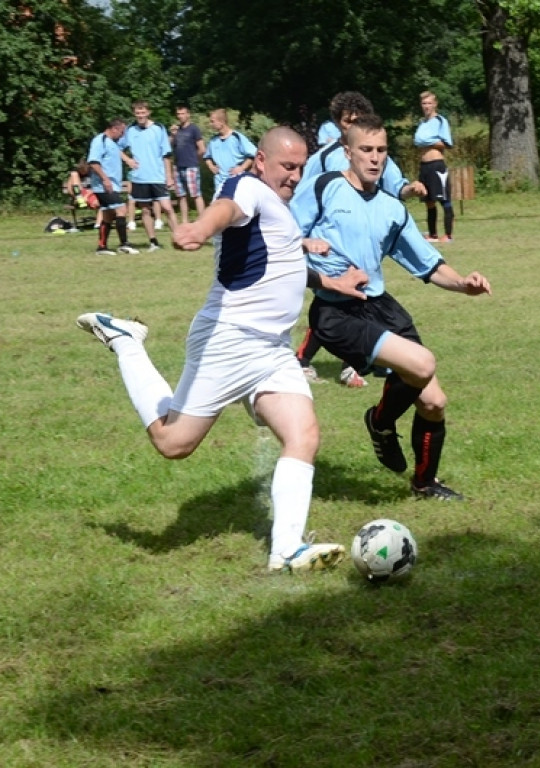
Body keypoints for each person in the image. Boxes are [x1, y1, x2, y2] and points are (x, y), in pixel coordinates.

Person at [75, 126, 368, 572]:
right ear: (262, 162)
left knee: (303, 435)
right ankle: (126, 342)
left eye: (301, 167)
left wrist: (331, 281)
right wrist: (199, 226)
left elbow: (283, 262)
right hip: (228, 340)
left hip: (270, 350)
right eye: (287, 166)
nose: (294, 175)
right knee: (173, 443)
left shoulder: (282, 212)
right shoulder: (247, 186)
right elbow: (226, 209)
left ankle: (286, 551)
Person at [290, 114, 492, 500]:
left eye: (381, 150)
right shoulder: (324, 187)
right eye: (366, 149)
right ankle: (381, 421)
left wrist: (463, 283)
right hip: (336, 312)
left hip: (380, 306)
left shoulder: (390, 207)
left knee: (434, 402)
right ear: (348, 152)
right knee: (422, 363)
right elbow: (281, 235)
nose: (374, 157)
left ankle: (424, 483)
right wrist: (311, 256)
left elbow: (428, 263)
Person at [293, 90, 425, 386]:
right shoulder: (325, 159)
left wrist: (409, 191)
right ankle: (314, 361)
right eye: (344, 121)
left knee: (361, 301)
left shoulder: (375, 154)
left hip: (365, 243)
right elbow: (302, 191)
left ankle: (342, 363)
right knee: (336, 304)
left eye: (355, 120)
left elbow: (394, 186)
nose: (348, 126)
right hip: (327, 255)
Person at [123, 100, 178, 251]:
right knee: (146, 210)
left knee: (167, 208)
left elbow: (166, 154)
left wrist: (169, 175)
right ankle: (153, 242)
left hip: (157, 176)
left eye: (143, 112)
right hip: (139, 177)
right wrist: (128, 160)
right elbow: (117, 147)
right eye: (137, 113)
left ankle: (179, 238)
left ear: (148, 112)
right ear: (134, 114)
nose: (140, 115)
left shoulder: (158, 128)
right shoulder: (130, 130)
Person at [86, 118, 140, 256]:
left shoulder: (112, 143)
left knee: (108, 215)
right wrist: (105, 179)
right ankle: (124, 244)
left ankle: (102, 247)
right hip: (103, 185)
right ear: (114, 129)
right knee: (121, 208)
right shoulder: (100, 141)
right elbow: (93, 162)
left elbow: (117, 151)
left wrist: (128, 160)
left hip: (111, 185)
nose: (122, 135)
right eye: (121, 132)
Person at [414, 90, 455, 242]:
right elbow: (418, 140)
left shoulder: (440, 121)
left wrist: (428, 141)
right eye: (424, 103)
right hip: (424, 166)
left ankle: (448, 235)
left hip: (436, 165)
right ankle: (433, 234)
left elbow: (447, 144)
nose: (426, 106)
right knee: (428, 200)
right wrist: (422, 141)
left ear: (435, 104)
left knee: (444, 200)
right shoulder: (422, 123)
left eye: (429, 103)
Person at [204, 108, 257, 194]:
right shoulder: (213, 141)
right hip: (219, 183)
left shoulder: (236, 137)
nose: (211, 124)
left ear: (221, 122)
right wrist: (212, 167)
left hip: (236, 181)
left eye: (212, 121)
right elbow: (207, 157)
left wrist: (242, 168)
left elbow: (253, 155)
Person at [172, 104, 207, 223]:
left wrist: (194, 158)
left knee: (195, 194)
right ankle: (185, 221)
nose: (180, 116)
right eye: (178, 114)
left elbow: (202, 148)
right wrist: (172, 135)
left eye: (182, 113)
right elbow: (168, 146)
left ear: (188, 114)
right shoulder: (176, 130)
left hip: (191, 166)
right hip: (178, 166)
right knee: (181, 195)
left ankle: (202, 220)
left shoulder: (194, 129)